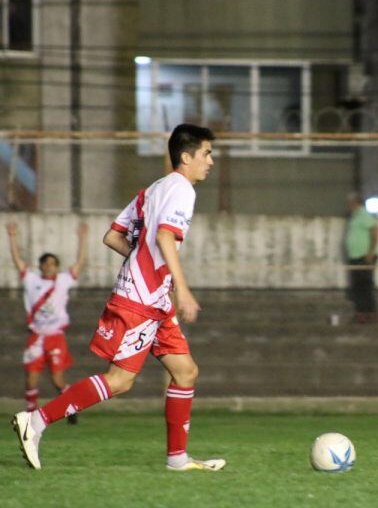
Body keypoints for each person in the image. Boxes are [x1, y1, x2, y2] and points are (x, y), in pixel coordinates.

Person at [11, 123, 225, 472]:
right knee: (121, 380)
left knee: (185, 371)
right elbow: (166, 239)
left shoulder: (152, 190)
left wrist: (145, 268)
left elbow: (112, 237)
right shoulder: (182, 189)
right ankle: (35, 422)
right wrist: (181, 288)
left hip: (153, 300)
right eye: (206, 153)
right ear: (186, 157)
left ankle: (177, 459)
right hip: (141, 301)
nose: (211, 161)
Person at [6, 221, 88, 423]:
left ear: (57, 267)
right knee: (31, 378)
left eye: (53, 263)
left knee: (57, 379)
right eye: (46, 263)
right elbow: (17, 261)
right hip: (36, 337)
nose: (50, 266)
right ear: (41, 265)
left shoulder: (63, 280)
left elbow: (80, 262)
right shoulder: (32, 280)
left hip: (55, 337)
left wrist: (83, 238)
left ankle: (71, 407)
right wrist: (12, 237)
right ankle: (32, 414)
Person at [345, 193, 378, 323]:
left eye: (349, 203)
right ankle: (361, 313)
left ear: (356, 203)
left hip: (364, 256)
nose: (347, 206)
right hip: (355, 256)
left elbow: (374, 230)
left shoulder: (363, 215)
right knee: (358, 286)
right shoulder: (354, 216)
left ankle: (370, 312)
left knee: (366, 286)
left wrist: (370, 252)